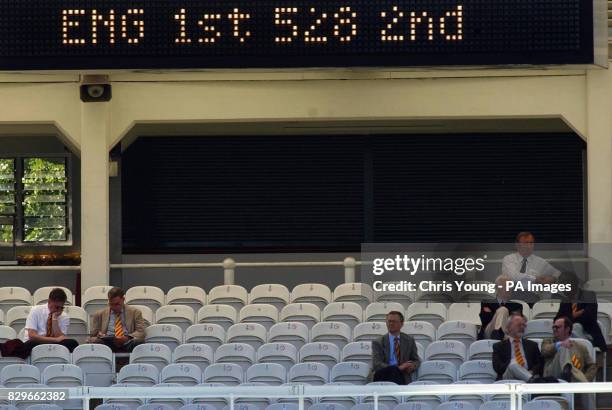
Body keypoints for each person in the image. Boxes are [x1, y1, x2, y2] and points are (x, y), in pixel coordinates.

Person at [542, 317, 597, 410]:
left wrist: (585, 378)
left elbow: (592, 366)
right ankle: (567, 372)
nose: (555, 329)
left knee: (586, 387)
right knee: (563, 349)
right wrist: (560, 344)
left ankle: (573, 375)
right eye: (553, 327)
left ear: (567, 329)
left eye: (558, 327)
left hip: (575, 380)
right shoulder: (548, 342)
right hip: (554, 377)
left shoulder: (580, 347)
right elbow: (544, 351)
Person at [555, 271, 607, 351]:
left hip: (589, 335)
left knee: (576, 327)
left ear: (573, 284)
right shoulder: (565, 300)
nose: (563, 290)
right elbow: (557, 320)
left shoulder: (589, 295)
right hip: (570, 338)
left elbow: (589, 317)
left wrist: (568, 318)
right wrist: (574, 315)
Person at [87, 287, 145, 352]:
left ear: (123, 299)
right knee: (95, 342)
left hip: (128, 342)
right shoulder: (99, 314)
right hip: (107, 343)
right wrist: (99, 335)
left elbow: (141, 332)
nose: (114, 307)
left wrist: (128, 338)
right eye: (111, 304)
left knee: (138, 342)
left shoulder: (135, 312)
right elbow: (93, 334)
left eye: (117, 304)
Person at [371, 311, 420, 385]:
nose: (391, 324)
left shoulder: (409, 340)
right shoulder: (378, 342)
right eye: (389, 321)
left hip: (403, 376)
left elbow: (416, 360)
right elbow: (377, 364)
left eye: (394, 321)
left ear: (401, 324)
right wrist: (397, 369)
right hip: (384, 376)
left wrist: (412, 366)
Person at [23, 287, 78, 353]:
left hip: (53, 344)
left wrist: (54, 319)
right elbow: (32, 335)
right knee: (31, 343)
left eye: (61, 307)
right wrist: (55, 340)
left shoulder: (64, 316)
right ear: (49, 302)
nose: (59, 310)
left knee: (72, 343)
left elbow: (61, 338)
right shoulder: (36, 310)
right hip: (38, 342)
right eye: (57, 307)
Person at [492, 314, 542, 381]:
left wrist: (532, 372)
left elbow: (539, 363)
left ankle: (529, 378)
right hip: (508, 377)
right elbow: (497, 367)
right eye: (519, 325)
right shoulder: (499, 346)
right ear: (509, 327)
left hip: (528, 373)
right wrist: (513, 367)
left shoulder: (532, 345)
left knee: (514, 364)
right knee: (513, 364)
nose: (522, 327)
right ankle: (532, 381)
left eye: (523, 325)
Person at [478, 275, 524, 340]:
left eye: (510, 286)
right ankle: (499, 334)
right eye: (505, 286)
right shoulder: (486, 303)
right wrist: (501, 315)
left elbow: (516, 324)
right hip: (489, 332)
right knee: (503, 310)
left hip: (508, 333)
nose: (509, 288)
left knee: (503, 310)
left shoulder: (517, 306)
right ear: (497, 288)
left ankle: (499, 335)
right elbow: (485, 319)